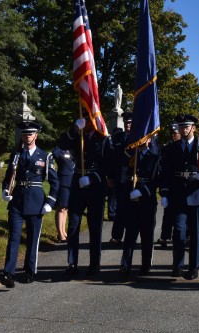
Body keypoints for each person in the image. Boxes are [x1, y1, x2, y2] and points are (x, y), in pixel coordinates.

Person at [0, 121, 59, 288]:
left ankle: (29, 270)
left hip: (36, 200)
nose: (27, 137)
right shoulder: (16, 155)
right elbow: (8, 177)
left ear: (36, 135)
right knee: (14, 237)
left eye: (30, 134)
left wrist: (50, 201)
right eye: (24, 134)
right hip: (17, 200)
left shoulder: (44, 156)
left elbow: (55, 182)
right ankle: (8, 273)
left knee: (33, 239)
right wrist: (5, 191)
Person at [160, 114, 199, 280]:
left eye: (187, 126)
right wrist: (164, 192)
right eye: (181, 126)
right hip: (178, 194)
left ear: (193, 128)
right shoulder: (172, 147)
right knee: (178, 231)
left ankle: (193, 267)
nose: (183, 129)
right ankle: (177, 265)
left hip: (197, 194)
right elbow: (166, 173)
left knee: (195, 233)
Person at [60, 117, 112, 277]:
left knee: (95, 226)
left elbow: (109, 165)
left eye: (90, 119)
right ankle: (72, 262)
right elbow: (62, 145)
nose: (87, 122)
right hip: (77, 183)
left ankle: (94, 264)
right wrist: (74, 129)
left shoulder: (103, 139)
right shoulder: (77, 135)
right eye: (85, 119)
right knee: (73, 225)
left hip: (95, 186)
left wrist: (92, 178)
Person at [119, 137, 161, 276]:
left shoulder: (154, 158)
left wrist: (142, 191)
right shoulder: (130, 156)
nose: (141, 141)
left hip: (146, 199)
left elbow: (155, 181)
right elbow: (124, 176)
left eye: (144, 138)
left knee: (146, 233)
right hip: (131, 198)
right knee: (130, 233)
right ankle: (126, 263)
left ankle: (146, 264)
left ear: (149, 140)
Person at [109, 112, 132, 245]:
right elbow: (112, 159)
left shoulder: (139, 137)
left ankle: (131, 235)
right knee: (120, 208)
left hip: (134, 179)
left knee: (132, 209)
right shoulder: (117, 137)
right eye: (126, 123)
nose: (128, 125)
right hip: (120, 178)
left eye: (130, 122)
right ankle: (117, 236)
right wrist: (110, 176)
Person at [157, 123, 181, 248]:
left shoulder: (183, 148)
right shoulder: (166, 149)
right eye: (172, 134)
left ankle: (184, 236)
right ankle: (165, 237)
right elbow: (163, 170)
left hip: (181, 186)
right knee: (168, 214)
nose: (173, 136)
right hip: (170, 186)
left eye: (175, 134)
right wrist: (163, 190)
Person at [51, 140, 75, 243]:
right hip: (63, 183)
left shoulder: (73, 151)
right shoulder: (60, 151)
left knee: (66, 208)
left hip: (72, 182)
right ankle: (60, 234)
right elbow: (54, 152)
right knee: (61, 208)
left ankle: (64, 231)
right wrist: (62, 142)